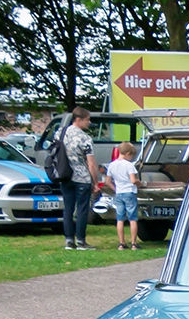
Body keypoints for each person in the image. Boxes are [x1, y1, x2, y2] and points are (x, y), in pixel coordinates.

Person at [59, 107, 103, 250]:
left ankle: (68, 241)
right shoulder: (85, 138)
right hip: (82, 177)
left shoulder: (60, 133)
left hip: (64, 175)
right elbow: (91, 163)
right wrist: (95, 182)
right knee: (82, 209)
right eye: (87, 120)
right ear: (79, 119)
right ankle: (81, 241)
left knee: (68, 208)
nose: (89, 123)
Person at [105, 142, 141, 250]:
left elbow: (107, 181)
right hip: (129, 192)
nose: (131, 158)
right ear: (128, 153)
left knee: (120, 219)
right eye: (131, 156)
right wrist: (140, 183)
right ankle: (134, 243)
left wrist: (115, 189)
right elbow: (133, 180)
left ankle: (121, 243)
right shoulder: (129, 165)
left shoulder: (112, 165)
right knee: (132, 218)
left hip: (119, 193)